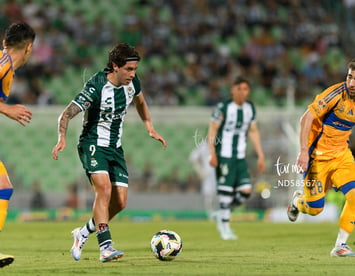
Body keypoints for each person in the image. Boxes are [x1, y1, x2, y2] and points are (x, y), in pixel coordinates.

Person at [51, 43, 167, 263]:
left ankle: (83, 232)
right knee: (103, 189)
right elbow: (65, 115)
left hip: (115, 148)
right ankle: (105, 247)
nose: (133, 75)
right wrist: (61, 139)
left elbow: (141, 102)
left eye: (135, 70)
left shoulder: (133, 84)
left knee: (120, 202)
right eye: (129, 70)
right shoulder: (96, 87)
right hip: (92, 144)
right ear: (115, 66)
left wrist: (149, 127)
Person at [287, 57, 355, 257]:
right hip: (316, 158)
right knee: (315, 209)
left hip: (341, 156)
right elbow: (306, 118)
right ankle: (297, 202)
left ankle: (340, 246)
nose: (351, 83)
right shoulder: (334, 94)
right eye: (349, 77)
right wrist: (303, 151)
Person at [208, 76, 265, 240]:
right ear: (232, 89)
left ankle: (221, 213)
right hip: (224, 155)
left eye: (245, 89)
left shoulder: (250, 108)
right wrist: (212, 153)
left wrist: (260, 154)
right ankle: (225, 228)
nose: (242, 92)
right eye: (239, 88)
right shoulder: (223, 107)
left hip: (240, 156)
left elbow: (253, 131)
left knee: (246, 191)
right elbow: (212, 130)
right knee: (226, 192)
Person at [0, 22, 35, 268]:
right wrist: (6, 109)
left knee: (3, 187)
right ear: (29, 48)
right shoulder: (4, 64)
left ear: (5, 42)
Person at [189, 139, 217, 219]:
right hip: (208, 175)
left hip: (218, 174)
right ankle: (210, 215)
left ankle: (220, 214)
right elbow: (193, 157)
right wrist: (199, 171)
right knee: (208, 196)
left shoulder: (221, 144)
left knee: (218, 195)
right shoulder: (203, 145)